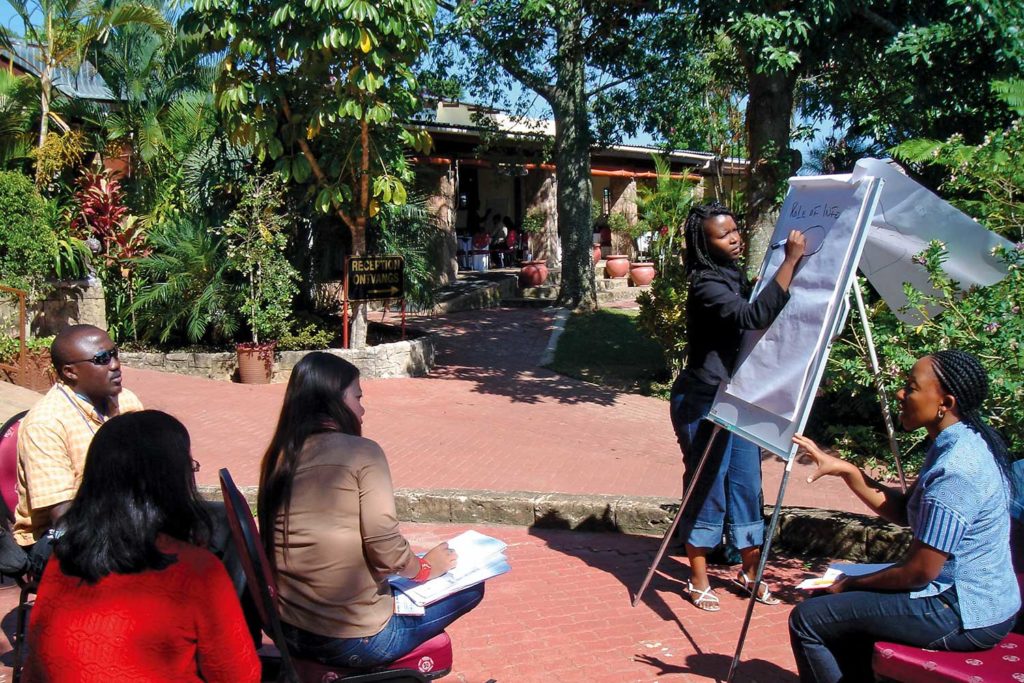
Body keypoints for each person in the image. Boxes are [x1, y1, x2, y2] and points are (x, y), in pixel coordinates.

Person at [789, 350, 1019, 683]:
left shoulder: (957, 470)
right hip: (976, 602)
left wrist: (849, 583)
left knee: (808, 619)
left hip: (962, 612)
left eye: (911, 387)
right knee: (831, 608)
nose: (900, 393)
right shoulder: (960, 441)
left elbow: (918, 573)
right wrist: (848, 472)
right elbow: (905, 513)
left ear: (946, 402)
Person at [259, 353, 484, 669]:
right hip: (351, 636)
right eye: (358, 396)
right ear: (336, 399)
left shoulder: (279, 456)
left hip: (288, 626)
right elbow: (384, 547)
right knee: (472, 585)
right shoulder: (363, 453)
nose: (362, 409)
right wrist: (425, 568)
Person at [23, 410, 260, 682]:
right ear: (171, 483)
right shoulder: (196, 572)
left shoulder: (62, 560)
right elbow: (240, 675)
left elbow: (36, 666)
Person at [670, 202, 805, 611]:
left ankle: (750, 571)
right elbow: (753, 316)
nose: (734, 238)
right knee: (708, 487)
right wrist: (792, 260)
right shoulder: (706, 285)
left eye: (734, 230)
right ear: (704, 244)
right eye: (722, 235)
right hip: (702, 399)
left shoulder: (732, 275)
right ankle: (697, 579)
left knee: (746, 484)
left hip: (738, 396)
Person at [15, 325, 143, 571]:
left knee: (218, 524)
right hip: (64, 534)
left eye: (114, 353)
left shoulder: (126, 400)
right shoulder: (46, 423)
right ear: (70, 372)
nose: (115, 365)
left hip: (124, 515)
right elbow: (64, 514)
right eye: (102, 359)